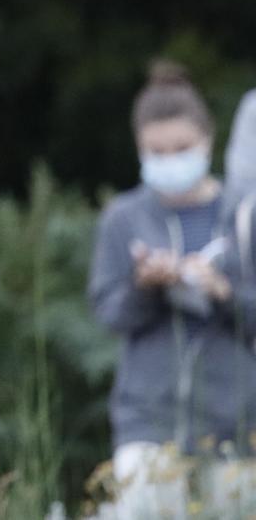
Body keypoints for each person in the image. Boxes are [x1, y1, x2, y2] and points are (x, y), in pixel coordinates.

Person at [89, 60, 256, 518]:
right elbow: (110, 314)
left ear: (208, 140)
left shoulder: (243, 216)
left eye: (181, 148)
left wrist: (221, 291)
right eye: (156, 152)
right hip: (147, 421)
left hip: (236, 426)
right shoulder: (123, 218)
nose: (170, 160)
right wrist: (146, 287)